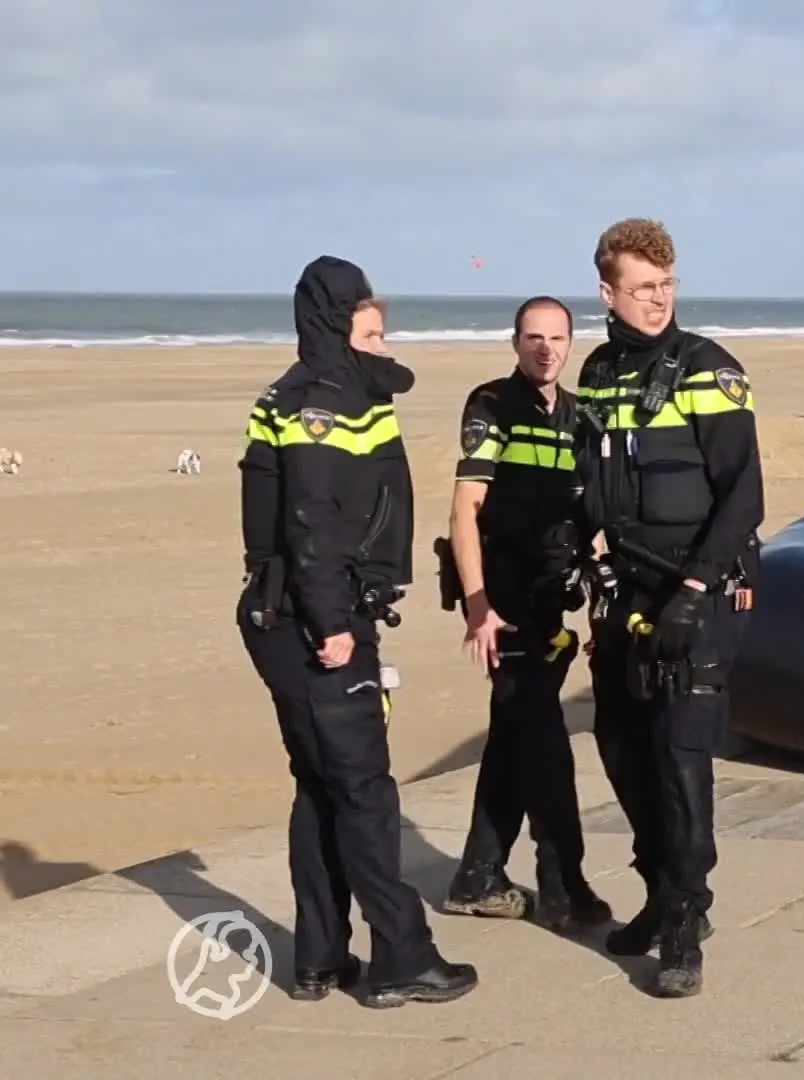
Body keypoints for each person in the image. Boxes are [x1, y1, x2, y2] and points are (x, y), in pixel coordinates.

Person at [236, 256, 477, 1007]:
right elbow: (310, 521)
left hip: (304, 613)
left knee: (322, 787)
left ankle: (319, 957)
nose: (383, 347)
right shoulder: (320, 401)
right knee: (365, 792)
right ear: (335, 329)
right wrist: (333, 623)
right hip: (313, 620)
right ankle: (403, 957)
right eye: (370, 335)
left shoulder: (335, 392)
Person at [575, 218, 764, 997]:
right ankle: (659, 887)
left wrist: (693, 591)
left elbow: (744, 496)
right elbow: (589, 479)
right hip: (627, 589)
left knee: (680, 756)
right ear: (608, 293)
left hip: (699, 587)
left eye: (667, 284)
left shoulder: (708, 369)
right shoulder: (597, 373)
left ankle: (687, 920)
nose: (658, 300)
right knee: (621, 745)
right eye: (643, 287)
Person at [438, 296, 613, 933]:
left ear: (570, 344)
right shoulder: (491, 405)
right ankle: (564, 884)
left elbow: (592, 522)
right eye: (534, 337)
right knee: (543, 742)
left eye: (557, 338)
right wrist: (477, 606)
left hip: (552, 602)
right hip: (503, 606)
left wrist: (603, 611)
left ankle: (477, 876)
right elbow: (465, 509)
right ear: (516, 343)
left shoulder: (579, 417)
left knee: (516, 735)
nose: (546, 349)